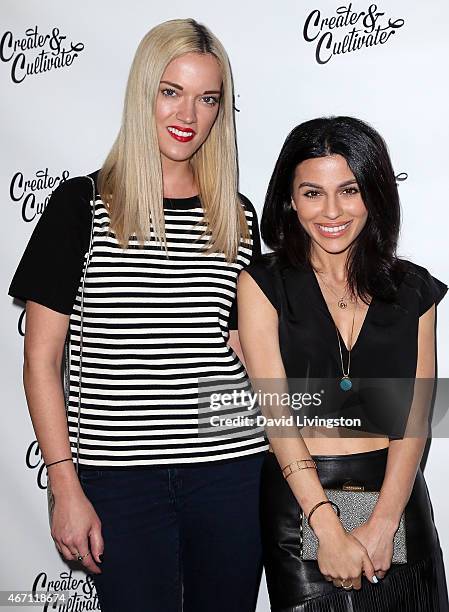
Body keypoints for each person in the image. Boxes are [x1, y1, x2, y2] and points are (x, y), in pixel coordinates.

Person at [8, 18, 268, 612]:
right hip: (118, 483)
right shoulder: (83, 204)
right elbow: (41, 359)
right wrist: (64, 484)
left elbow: (247, 345)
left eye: (208, 98)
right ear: (143, 92)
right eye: (171, 91)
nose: (188, 114)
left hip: (231, 471)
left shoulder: (238, 215)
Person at [237, 116, 449, 610]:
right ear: (290, 199)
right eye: (312, 192)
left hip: (394, 496)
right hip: (303, 500)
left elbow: (414, 419)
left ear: (372, 194)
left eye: (348, 190)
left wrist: (383, 523)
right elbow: (277, 417)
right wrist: (327, 524)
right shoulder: (264, 283)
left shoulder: (414, 289)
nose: (331, 211)